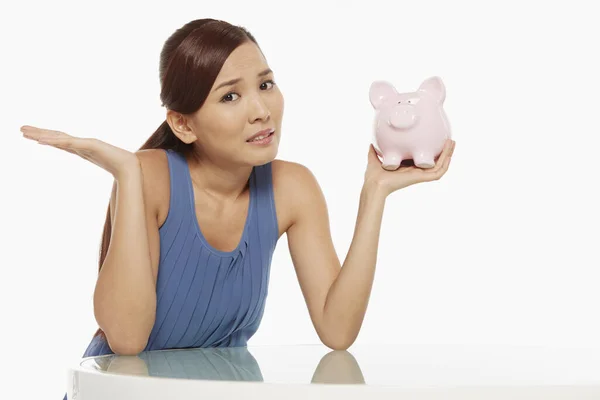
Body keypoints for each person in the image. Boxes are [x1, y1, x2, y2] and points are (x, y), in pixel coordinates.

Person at [21, 18, 455, 399]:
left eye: (265, 84)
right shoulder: (150, 177)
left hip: (223, 390)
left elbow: (337, 331)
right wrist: (127, 175)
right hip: (122, 394)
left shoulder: (292, 187)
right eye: (230, 97)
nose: (261, 111)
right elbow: (128, 339)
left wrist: (374, 193)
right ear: (182, 124)